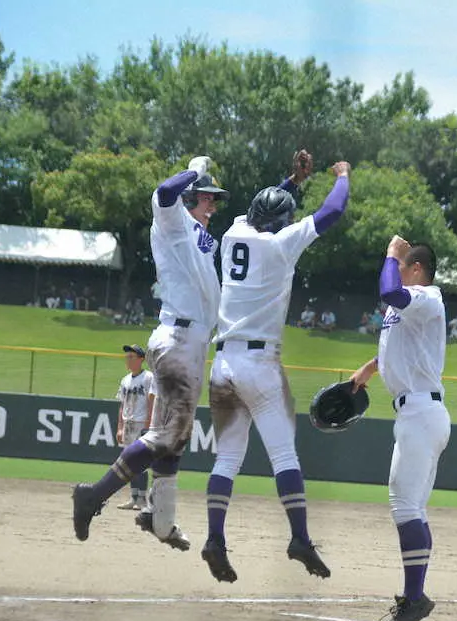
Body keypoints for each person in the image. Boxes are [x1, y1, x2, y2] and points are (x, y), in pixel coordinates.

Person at [202, 151, 350, 584]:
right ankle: (299, 537)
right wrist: (341, 174)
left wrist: (293, 180)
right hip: (259, 363)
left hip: (223, 360)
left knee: (227, 457)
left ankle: (214, 539)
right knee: (283, 454)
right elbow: (333, 210)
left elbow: (263, 205)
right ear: (282, 221)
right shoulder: (282, 244)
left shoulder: (233, 233)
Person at [72, 155, 227, 552]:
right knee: (169, 435)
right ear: (191, 197)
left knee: (173, 441)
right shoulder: (173, 221)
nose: (213, 204)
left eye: (215, 199)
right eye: (208, 197)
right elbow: (162, 193)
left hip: (186, 343)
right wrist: (196, 170)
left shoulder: (199, 236)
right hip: (178, 340)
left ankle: (160, 521)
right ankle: (95, 495)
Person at [349, 237, 450, 621]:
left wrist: (391, 254)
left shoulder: (427, 297)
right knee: (412, 508)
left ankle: (415, 598)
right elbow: (405, 348)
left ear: (417, 268)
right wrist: (371, 368)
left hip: (422, 413)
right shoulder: (408, 306)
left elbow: (389, 289)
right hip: (416, 412)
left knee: (404, 505)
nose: (396, 270)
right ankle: (415, 597)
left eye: (403, 265)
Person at [114, 344, 155, 511]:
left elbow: (152, 401)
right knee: (129, 462)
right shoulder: (125, 380)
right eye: (127, 357)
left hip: (141, 424)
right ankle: (133, 497)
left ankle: (142, 499)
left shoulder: (148, 378)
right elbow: (122, 405)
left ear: (141, 359)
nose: (128, 360)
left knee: (141, 462)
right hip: (128, 424)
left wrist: (148, 424)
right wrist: (120, 427)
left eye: (131, 357)